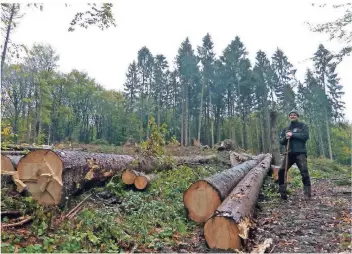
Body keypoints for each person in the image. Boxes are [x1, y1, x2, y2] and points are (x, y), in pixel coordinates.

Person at [278, 109, 311, 200]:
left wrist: (292, 134)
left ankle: (307, 193)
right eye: (291, 115)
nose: (292, 116)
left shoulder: (302, 126)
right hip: (289, 154)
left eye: (294, 115)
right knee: (281, 171)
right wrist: (286, 137)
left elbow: (305, 136)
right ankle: (282, 193)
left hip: (300, 153)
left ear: (297, 116)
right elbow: (281, 142)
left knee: (304, 172)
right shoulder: (285, 129)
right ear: (289, 117)